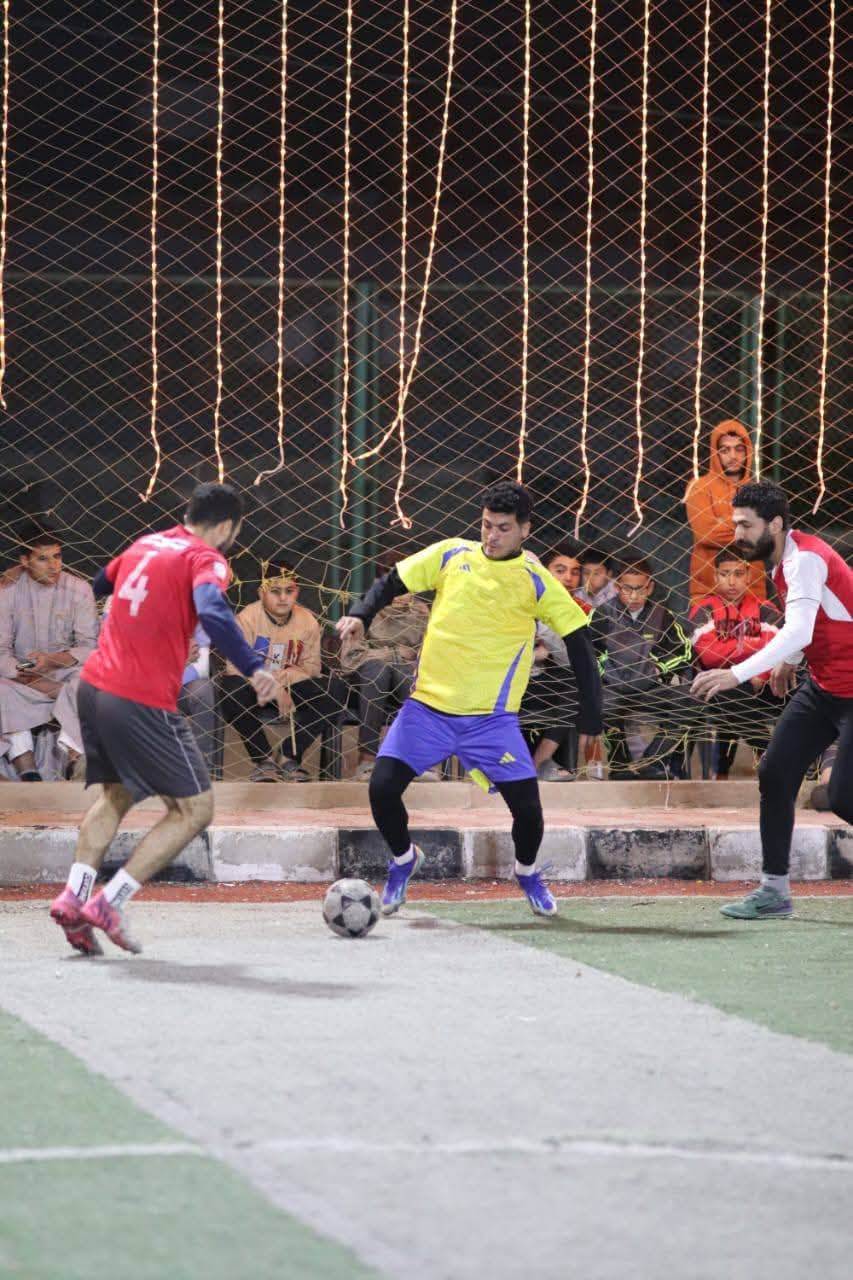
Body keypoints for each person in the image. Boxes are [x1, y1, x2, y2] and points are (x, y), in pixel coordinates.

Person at [336, 481, 603, 918]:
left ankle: (527, 873)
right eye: (486, 525)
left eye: (503, 528)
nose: (491, 536)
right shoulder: (451, 555)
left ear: (525, 530)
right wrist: (360, 614)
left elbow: (579, 643)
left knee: (529, 812)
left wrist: (591, 714)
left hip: (491, 721)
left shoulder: (536, 580)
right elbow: (392, 581)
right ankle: (404, 859)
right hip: (427, 710)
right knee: (381, 789)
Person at [49, 483, 277, 955]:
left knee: (116, 794)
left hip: (93, 686)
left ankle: (74, 896)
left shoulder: (145, 544)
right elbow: (211, 608)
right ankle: (109, 903)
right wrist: (253, 667)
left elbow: (97, 584)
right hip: (139, 696)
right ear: (227, 526)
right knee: (195, 810)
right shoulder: (206, 558)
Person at [693, 481, 853, 918]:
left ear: (776, 524)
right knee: (776, 773)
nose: (737, 534)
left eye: (746, 525)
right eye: (736, 524)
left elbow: (799, 628)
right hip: (825, 687)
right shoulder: (784, 560)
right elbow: (818, 620)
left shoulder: (804, 560)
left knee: (843, 797)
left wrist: (735, 674)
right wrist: (791, 660)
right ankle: (774, 892)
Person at [220, 564, 348, 781]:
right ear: (261, 592)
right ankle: (264, 760)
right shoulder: (246, 618)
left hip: (291, 687)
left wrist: (281, 683)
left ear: (297, 592)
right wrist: (273, 686)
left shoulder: (307, 620)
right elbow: (235, 666)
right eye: (275, 591)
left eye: (289, 591)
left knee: (334, 689)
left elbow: (312, 667)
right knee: (231, 690)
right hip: (255, 688)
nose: (282, 598)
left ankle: (289, 757)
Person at [0, 531, 98, 780]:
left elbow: (89, 647)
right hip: (20, 677)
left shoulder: (79, 589)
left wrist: (54, 661)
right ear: (24, 561)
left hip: (64, 672)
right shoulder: (7, 591)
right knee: (1, 691)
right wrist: (24, 673)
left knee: (87, 682)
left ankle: (76, 763)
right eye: (43, 559)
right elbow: (1, 651)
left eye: (57, 556)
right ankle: (28, 772)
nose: (54, 566)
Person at [594, 558, 698, 778]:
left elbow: (684, 652)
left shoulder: (662, 615)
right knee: (603, 705)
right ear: (617, 586)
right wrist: (605, 672)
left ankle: (653, 762)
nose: (634, 596)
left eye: (640, 589)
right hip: (613, 688)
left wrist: (659, 668)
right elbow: (588, 652)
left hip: (649, 687)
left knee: (690, 701)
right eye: (627, 589)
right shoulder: (602, 613)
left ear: (650, 587)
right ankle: (620, 767)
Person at [689, 546, 782, 778]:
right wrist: (755, 647)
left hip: (762, 683)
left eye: (739, 574)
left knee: (801, 688)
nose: (731, 581)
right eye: (725, 574)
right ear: (715, 576)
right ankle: (771, 754)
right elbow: (709, 655)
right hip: (719, 688)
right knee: (728, 693)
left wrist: (760, 672)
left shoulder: (766, 609)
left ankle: (810, 764)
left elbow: (779, 648)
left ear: (749, 576)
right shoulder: (703, 609)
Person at [338, 562, 432, 781]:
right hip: (365, 681)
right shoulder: (364, 609)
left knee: (408, 675)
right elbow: (349, 659)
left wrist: (406, 659)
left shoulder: (421, 613)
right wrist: (394, 654)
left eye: (405, 588)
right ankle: (367, 760)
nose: (399, 595)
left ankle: (416, 760)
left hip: (405, 676)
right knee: (378, 670)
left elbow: (428, 655)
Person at [684, 418, 766, 603]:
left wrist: (722, 522)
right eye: (725, 450)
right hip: (707, 590)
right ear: (715, 452)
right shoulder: (699, 487)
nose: (733, 456)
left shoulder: (759, 491)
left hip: (752, 591)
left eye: (739, 449)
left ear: (748, 451)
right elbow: (706, 534)